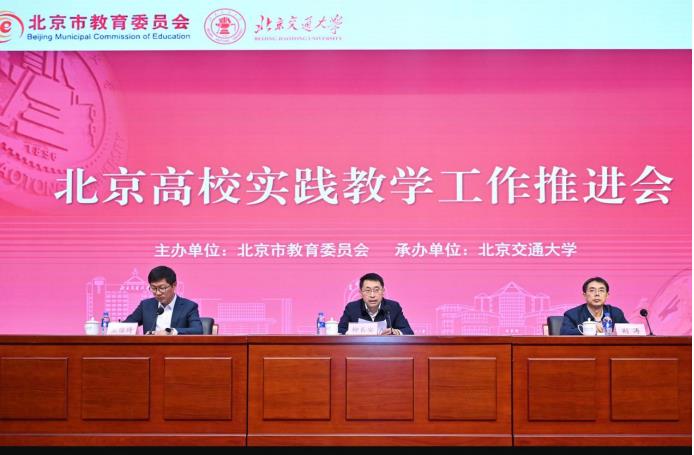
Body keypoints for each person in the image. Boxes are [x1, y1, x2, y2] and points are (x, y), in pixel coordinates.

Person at [124, 266, 203, 335]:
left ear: (174, 285)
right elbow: (126, 325)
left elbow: (198, 330)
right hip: (150, 347)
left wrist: (170, 332)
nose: (158, 293)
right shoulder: (145, 305)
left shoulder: (189, 306)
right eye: (153, 288)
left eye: (162, 288)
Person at [338, 273, 413, 335]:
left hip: (386, 348)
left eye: (376, 290)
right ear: (361, 293)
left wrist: (396, 332)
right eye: (367, 290)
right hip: (359, 348)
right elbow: (340, 330)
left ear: (383, 291)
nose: (372, 295)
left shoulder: (393, 307)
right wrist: (353, 333)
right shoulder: (352, 308)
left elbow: (408, 331)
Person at [560, 277, 628, 335]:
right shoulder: (572, 314)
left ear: (607, 295)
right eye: (592, 290)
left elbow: (629, 331)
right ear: (585, 295)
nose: (597, 294)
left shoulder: (615, 313)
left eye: (601, 290)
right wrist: (589, 328)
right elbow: (564, 333)